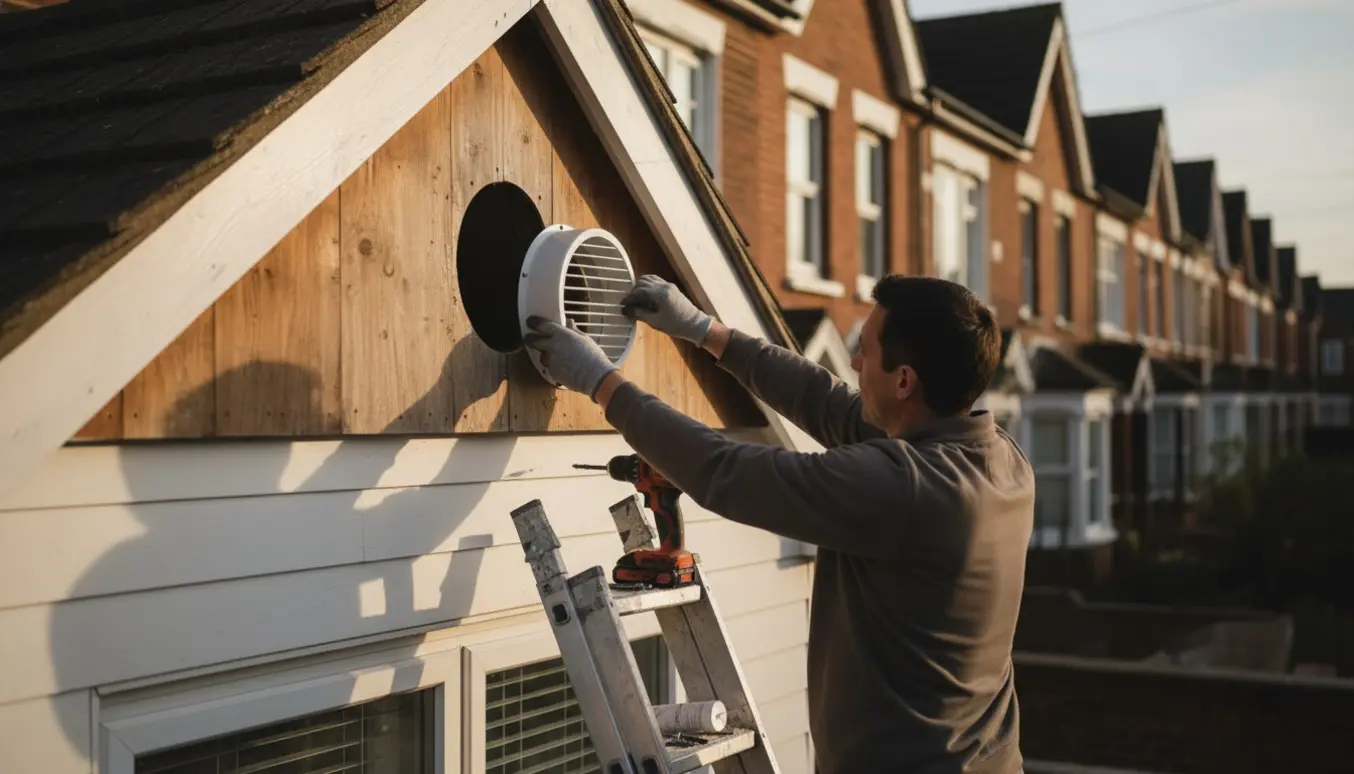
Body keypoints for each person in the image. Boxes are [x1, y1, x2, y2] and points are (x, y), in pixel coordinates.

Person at [523, 273, 1034, 774]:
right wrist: (705, 331)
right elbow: (826, 401)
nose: (853, 362)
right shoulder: (999, 457)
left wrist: (601, 384)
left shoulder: (907, 488)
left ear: (904, 381)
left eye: (866, 351)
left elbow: (728, 472)